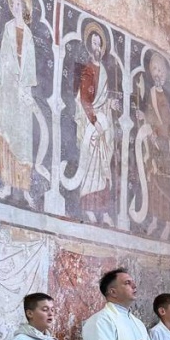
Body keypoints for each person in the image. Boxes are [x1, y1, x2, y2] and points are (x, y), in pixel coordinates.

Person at [0, 0, 37, 206]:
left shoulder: (29, 35)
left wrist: (25, 88)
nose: (15, 7)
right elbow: (3, 58)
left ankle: (24, 187)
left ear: (24, 7)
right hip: (8, 91)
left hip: (22, 93)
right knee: (6, 135)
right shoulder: (6, 28)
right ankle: (7, 184)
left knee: (24, 141)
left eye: (18, 4)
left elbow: (31, 66)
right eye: (12, 4)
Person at [65, 22, 120, 225]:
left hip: (104, 124)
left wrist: (111, 104)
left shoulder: (103, 70)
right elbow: (85, 100)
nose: (97, 48)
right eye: (94, 44)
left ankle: (103, 212)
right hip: (93, 124)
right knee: (91, 168)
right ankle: (88, 208)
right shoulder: (88, 70)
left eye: (99, 44)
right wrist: (94, 121)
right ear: (90, 47)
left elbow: (102, 99)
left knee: (104, 169)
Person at [131, 53, 170, 235]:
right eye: (154, 70)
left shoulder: (168, 96)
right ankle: (154, 220)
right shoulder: (150, 93)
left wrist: (168, 138)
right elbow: (149, 113)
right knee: (153, 181)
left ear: (165, 73)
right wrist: (143, 116)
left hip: (166, 143)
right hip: (153, 141)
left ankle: (167, 224)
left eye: (160, 70)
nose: (157, 74)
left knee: (166, 182)